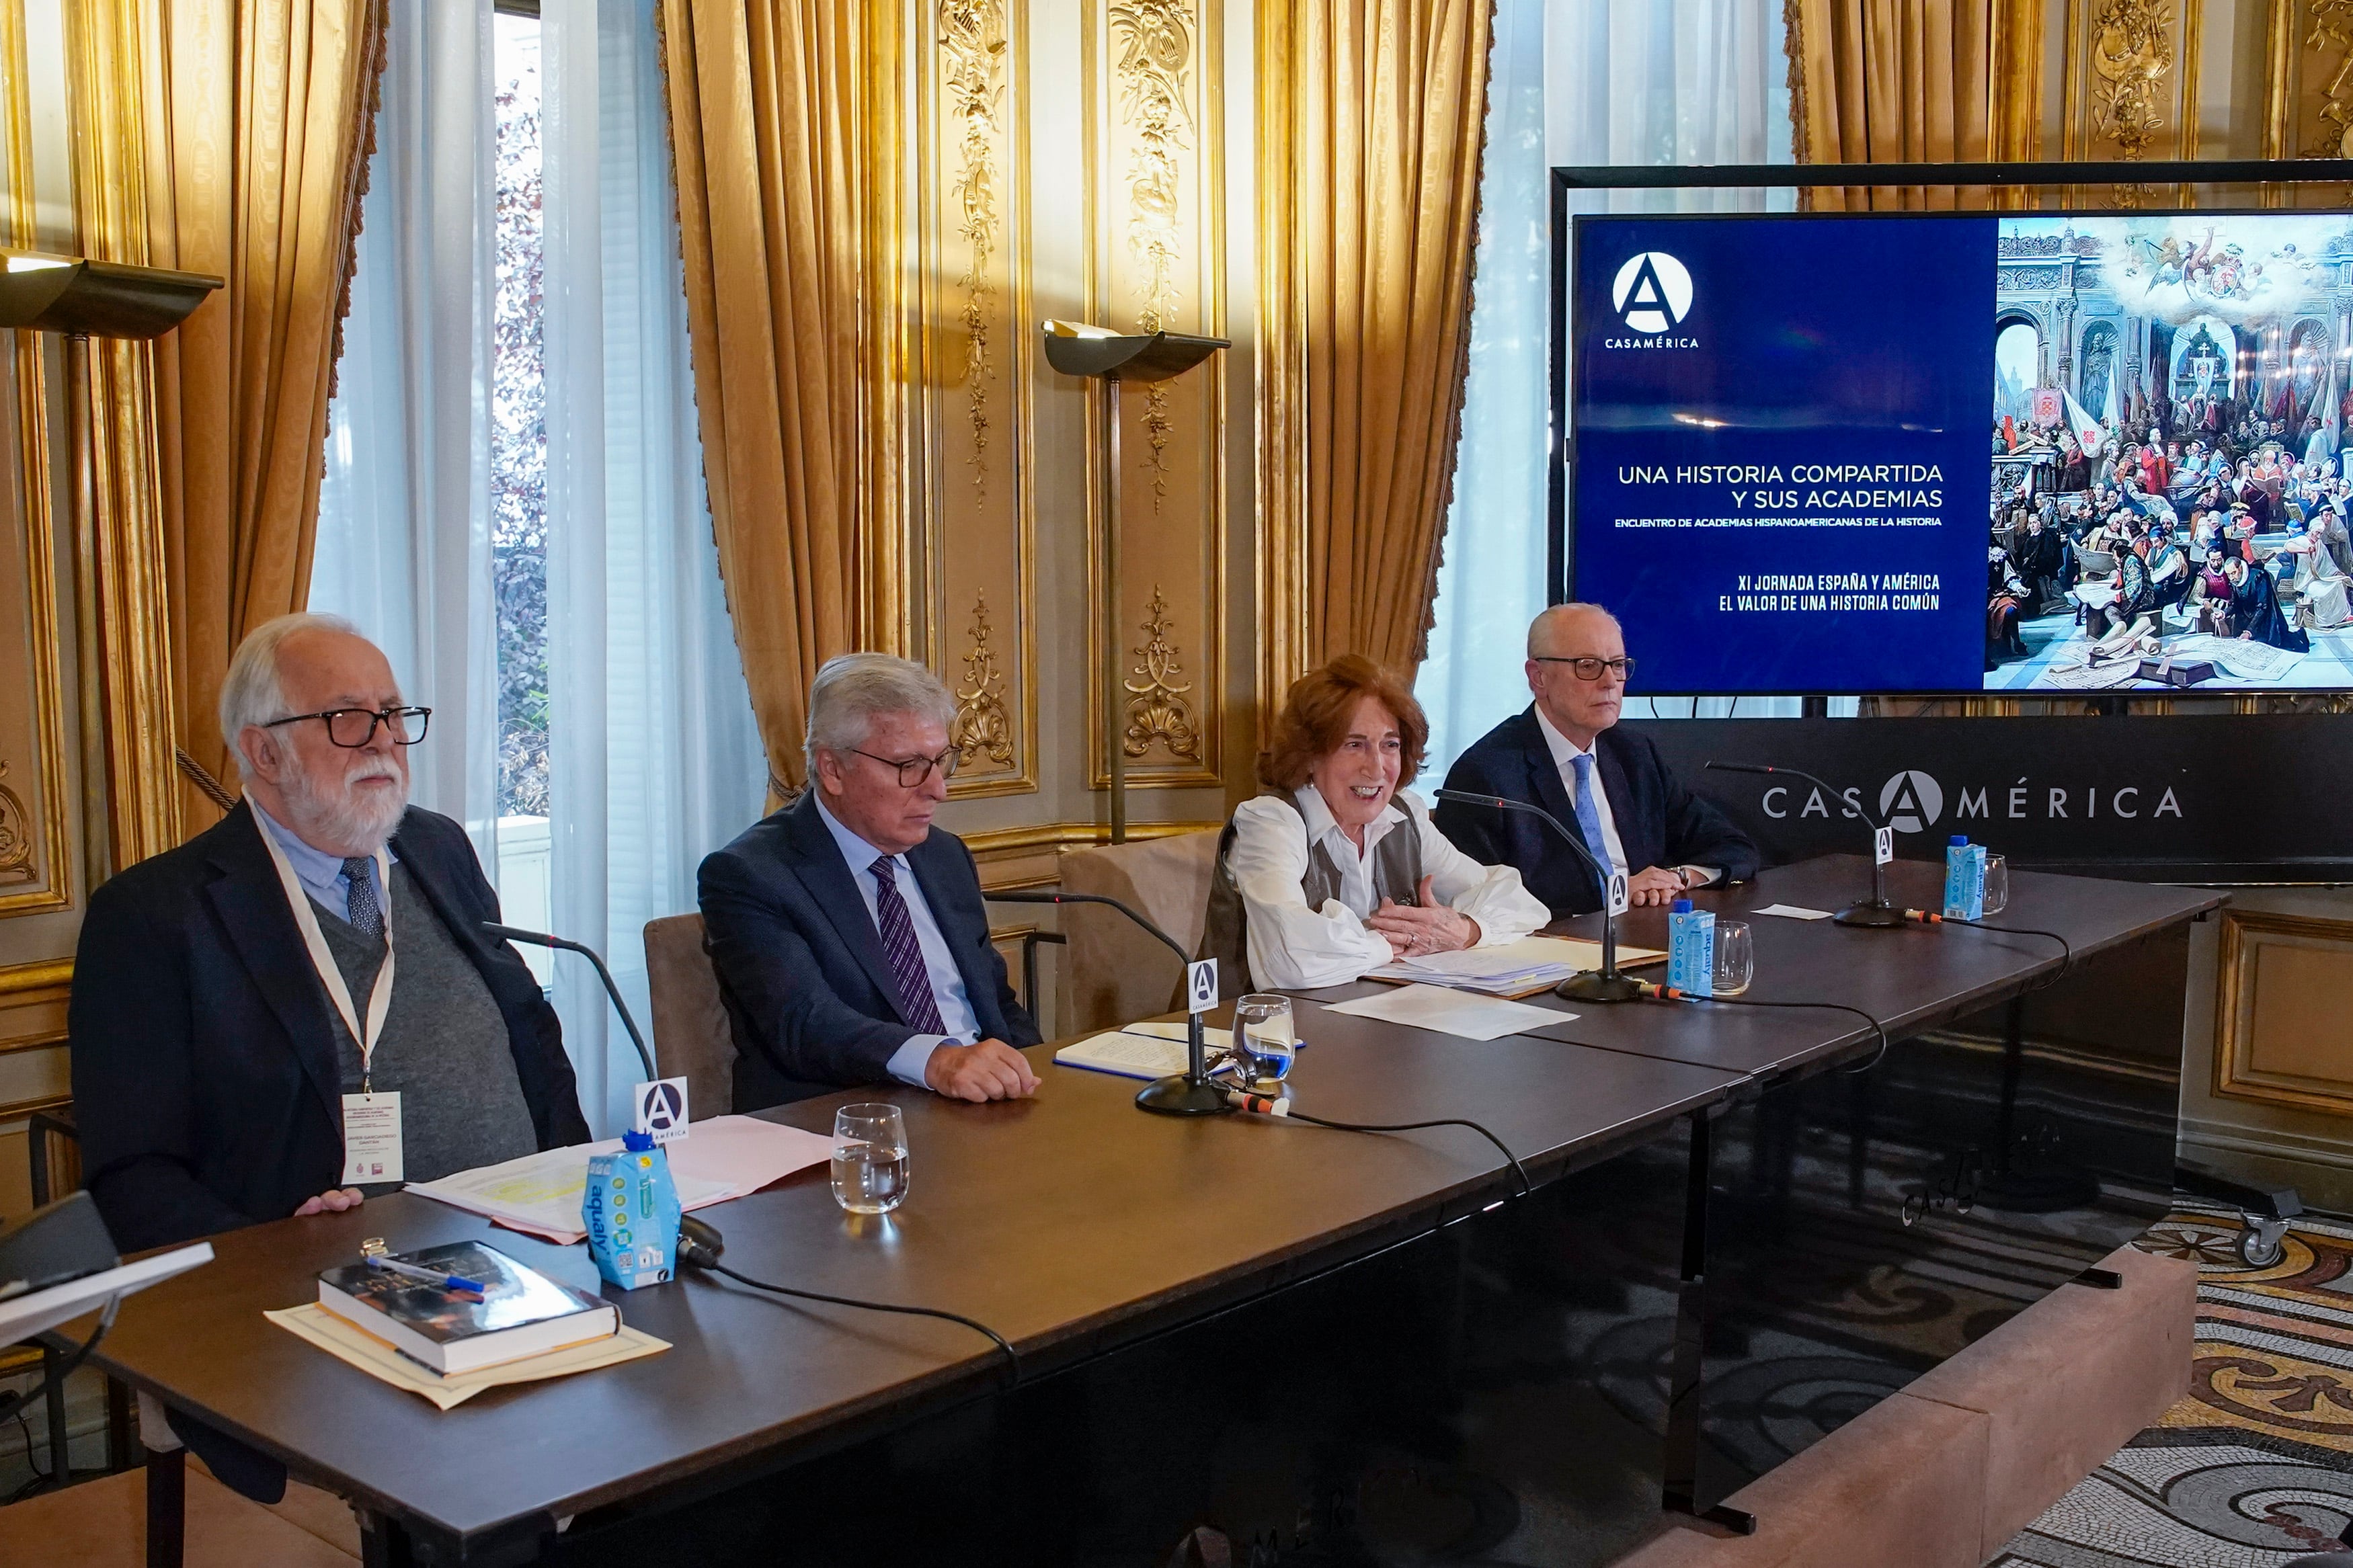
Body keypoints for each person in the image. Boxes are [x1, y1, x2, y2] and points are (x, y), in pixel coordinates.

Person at [70, 614, 588, 1255]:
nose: (383, 741)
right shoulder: (153, 915)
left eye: (393, 713)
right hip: (320, 1294)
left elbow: (532, 1031)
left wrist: (582, 1190)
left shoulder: (439, 846)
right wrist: (270, 1254)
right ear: (264, 751)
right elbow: (134, 1175)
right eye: (347, 718)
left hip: (529, 1243)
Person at [699, 653, 1041, 1110]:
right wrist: (938, 1061)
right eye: (909, 766)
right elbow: (806, 1021)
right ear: (833, 770)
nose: (938, 788)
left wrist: (1033, 1072)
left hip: (984, 1111)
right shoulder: (752, 874)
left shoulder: (944, 855)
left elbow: (996, 1002)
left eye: (941, 761)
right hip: (851, 1123)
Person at [1199, 655, 1547, 992]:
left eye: (1390, 745)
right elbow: (1290, 958)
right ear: (1310, 754)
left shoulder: (1404, 816)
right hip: (1242, 1034)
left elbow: (1517, 901)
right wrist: (1396, 942)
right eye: (1354, 745)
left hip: (1371, 1026)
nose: (1377, 768)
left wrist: (1466, 929)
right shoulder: (1271, 822)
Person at [1435, 604, 1759, 917]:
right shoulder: (1485, 775)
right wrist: (1616, 894)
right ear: (1539, 677)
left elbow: (1733, 846)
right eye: (1588, 666)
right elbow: (1481, 904)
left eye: (1618, 665)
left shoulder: (1633, 754)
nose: (1610, 682)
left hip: (1645, 937)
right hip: (1553, 957)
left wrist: (1679, 877)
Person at [2223, 554, 2310, 652]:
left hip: (2265, 621)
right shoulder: (2234, 581)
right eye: (2229, 574)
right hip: (2246, 620)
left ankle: (2300, 636)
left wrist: (2249, 631)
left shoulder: (2259, 577)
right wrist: (2224, 613)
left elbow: (2263, 607)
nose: (2231, 577)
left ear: (2240, 568)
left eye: (2233, 573)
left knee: (2277, 645)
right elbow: (2235, 604)